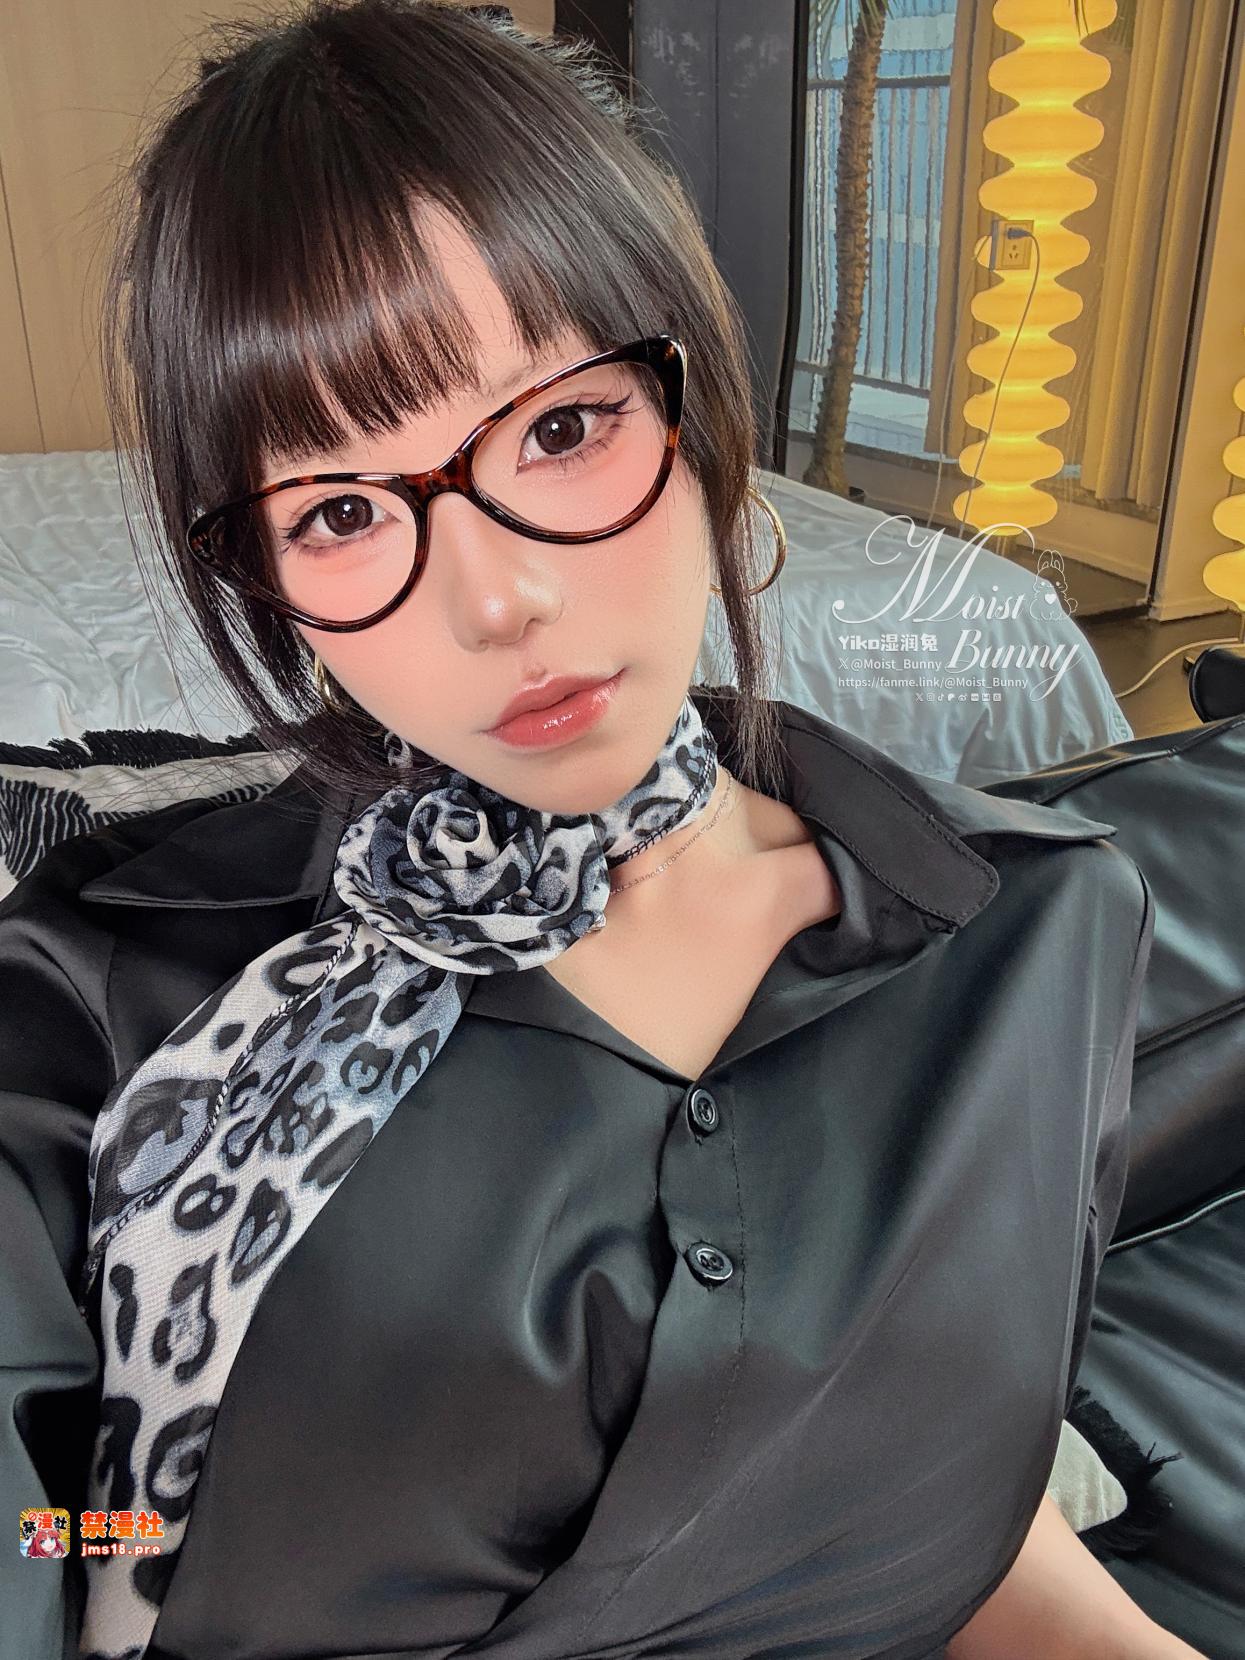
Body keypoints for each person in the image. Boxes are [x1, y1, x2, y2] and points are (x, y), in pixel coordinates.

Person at [0, 2, 1208, 1657]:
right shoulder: (99, 984)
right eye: (340, 510)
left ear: (693, 403)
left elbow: (951, 1501)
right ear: (265, 583)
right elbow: (49, 1527)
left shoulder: (1037, 928)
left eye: (561, 428)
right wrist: (117, 1528)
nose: (499, 599)